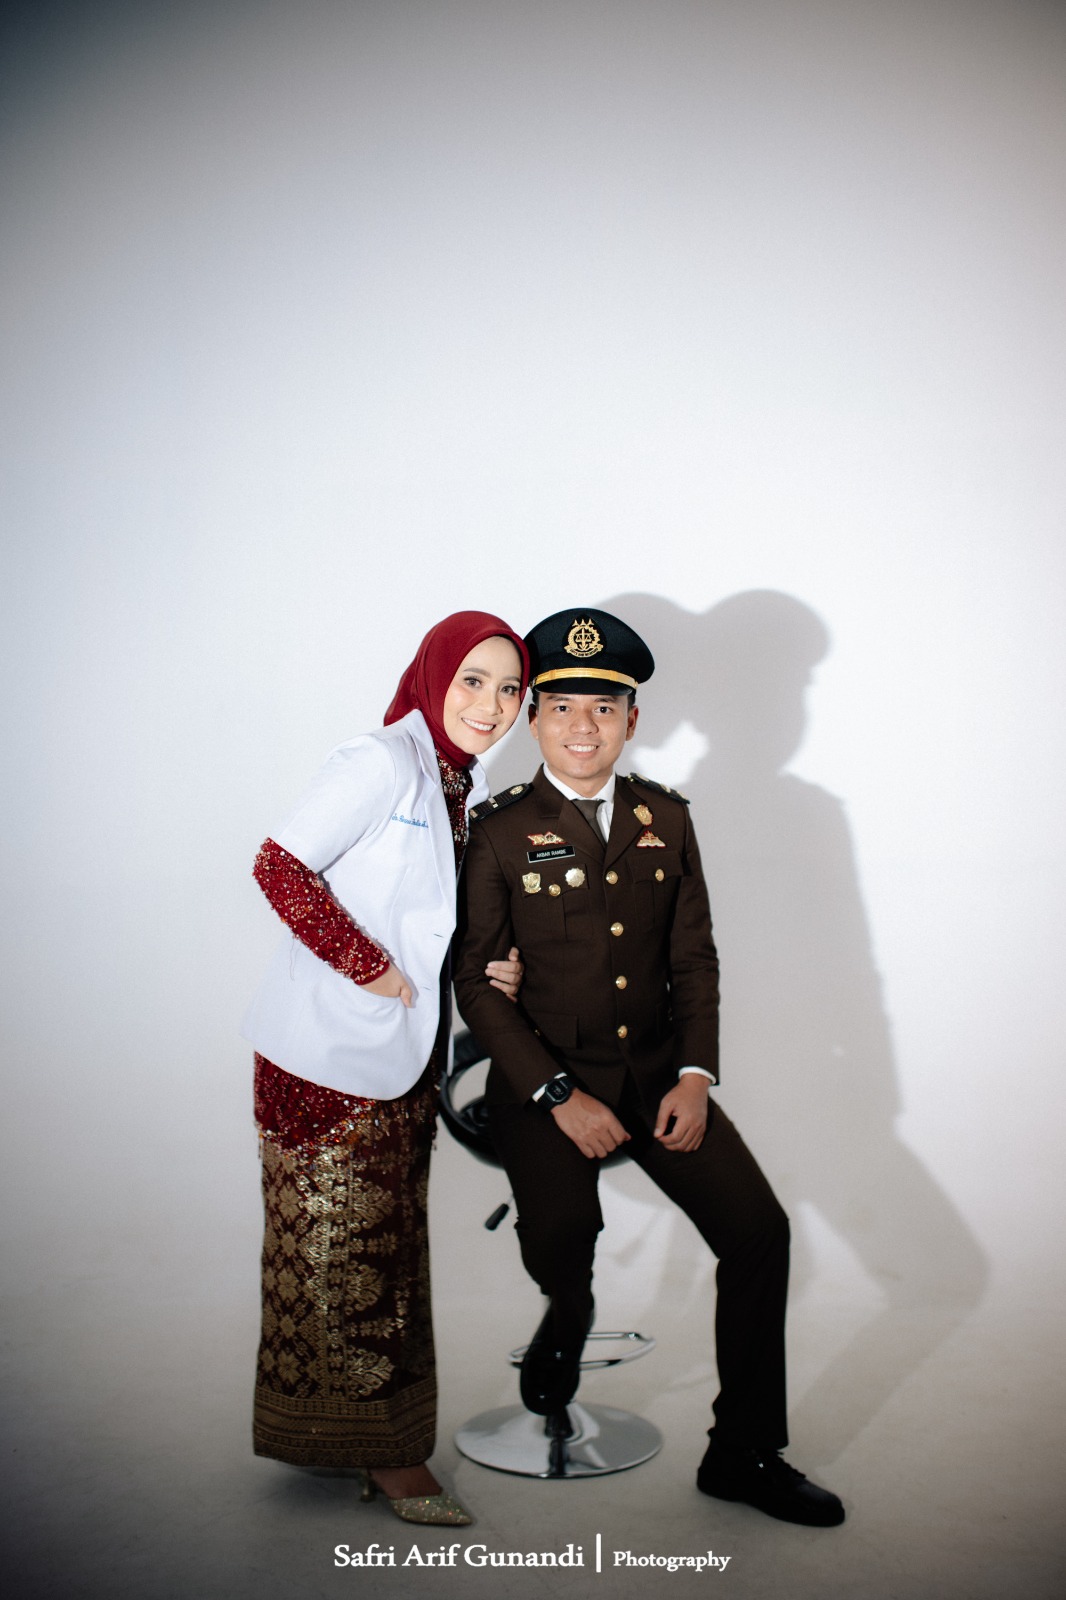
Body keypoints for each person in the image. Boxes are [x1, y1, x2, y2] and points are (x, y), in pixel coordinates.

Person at [453, 607, 845, 1527]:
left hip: (658, 1078)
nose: (582, 727)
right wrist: (558, 1094)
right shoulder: (499, 830)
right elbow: (476, 983)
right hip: (541, 1088)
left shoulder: (665, 817)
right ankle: (570, 1307)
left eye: (604, 708)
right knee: (566, 1235)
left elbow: (692, 960)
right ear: (534, 721)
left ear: (633, 720)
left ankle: (744, 1453)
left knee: (758, 1232)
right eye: (561, 708)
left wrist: (697, 1076)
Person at [242, 611, 529, 1526]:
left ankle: (354, 1438)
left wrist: (492, 965)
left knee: (385, 1256)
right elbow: (280, 866)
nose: (491, 704)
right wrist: (367, 966)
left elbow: (432, 917)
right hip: (323, 1060)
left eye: (510, 688)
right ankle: (392, 1459)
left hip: (400, 1060)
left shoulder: (462, 784)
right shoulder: (379, 762)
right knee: (336, 1254)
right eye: (473, 680)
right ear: (434, 675)